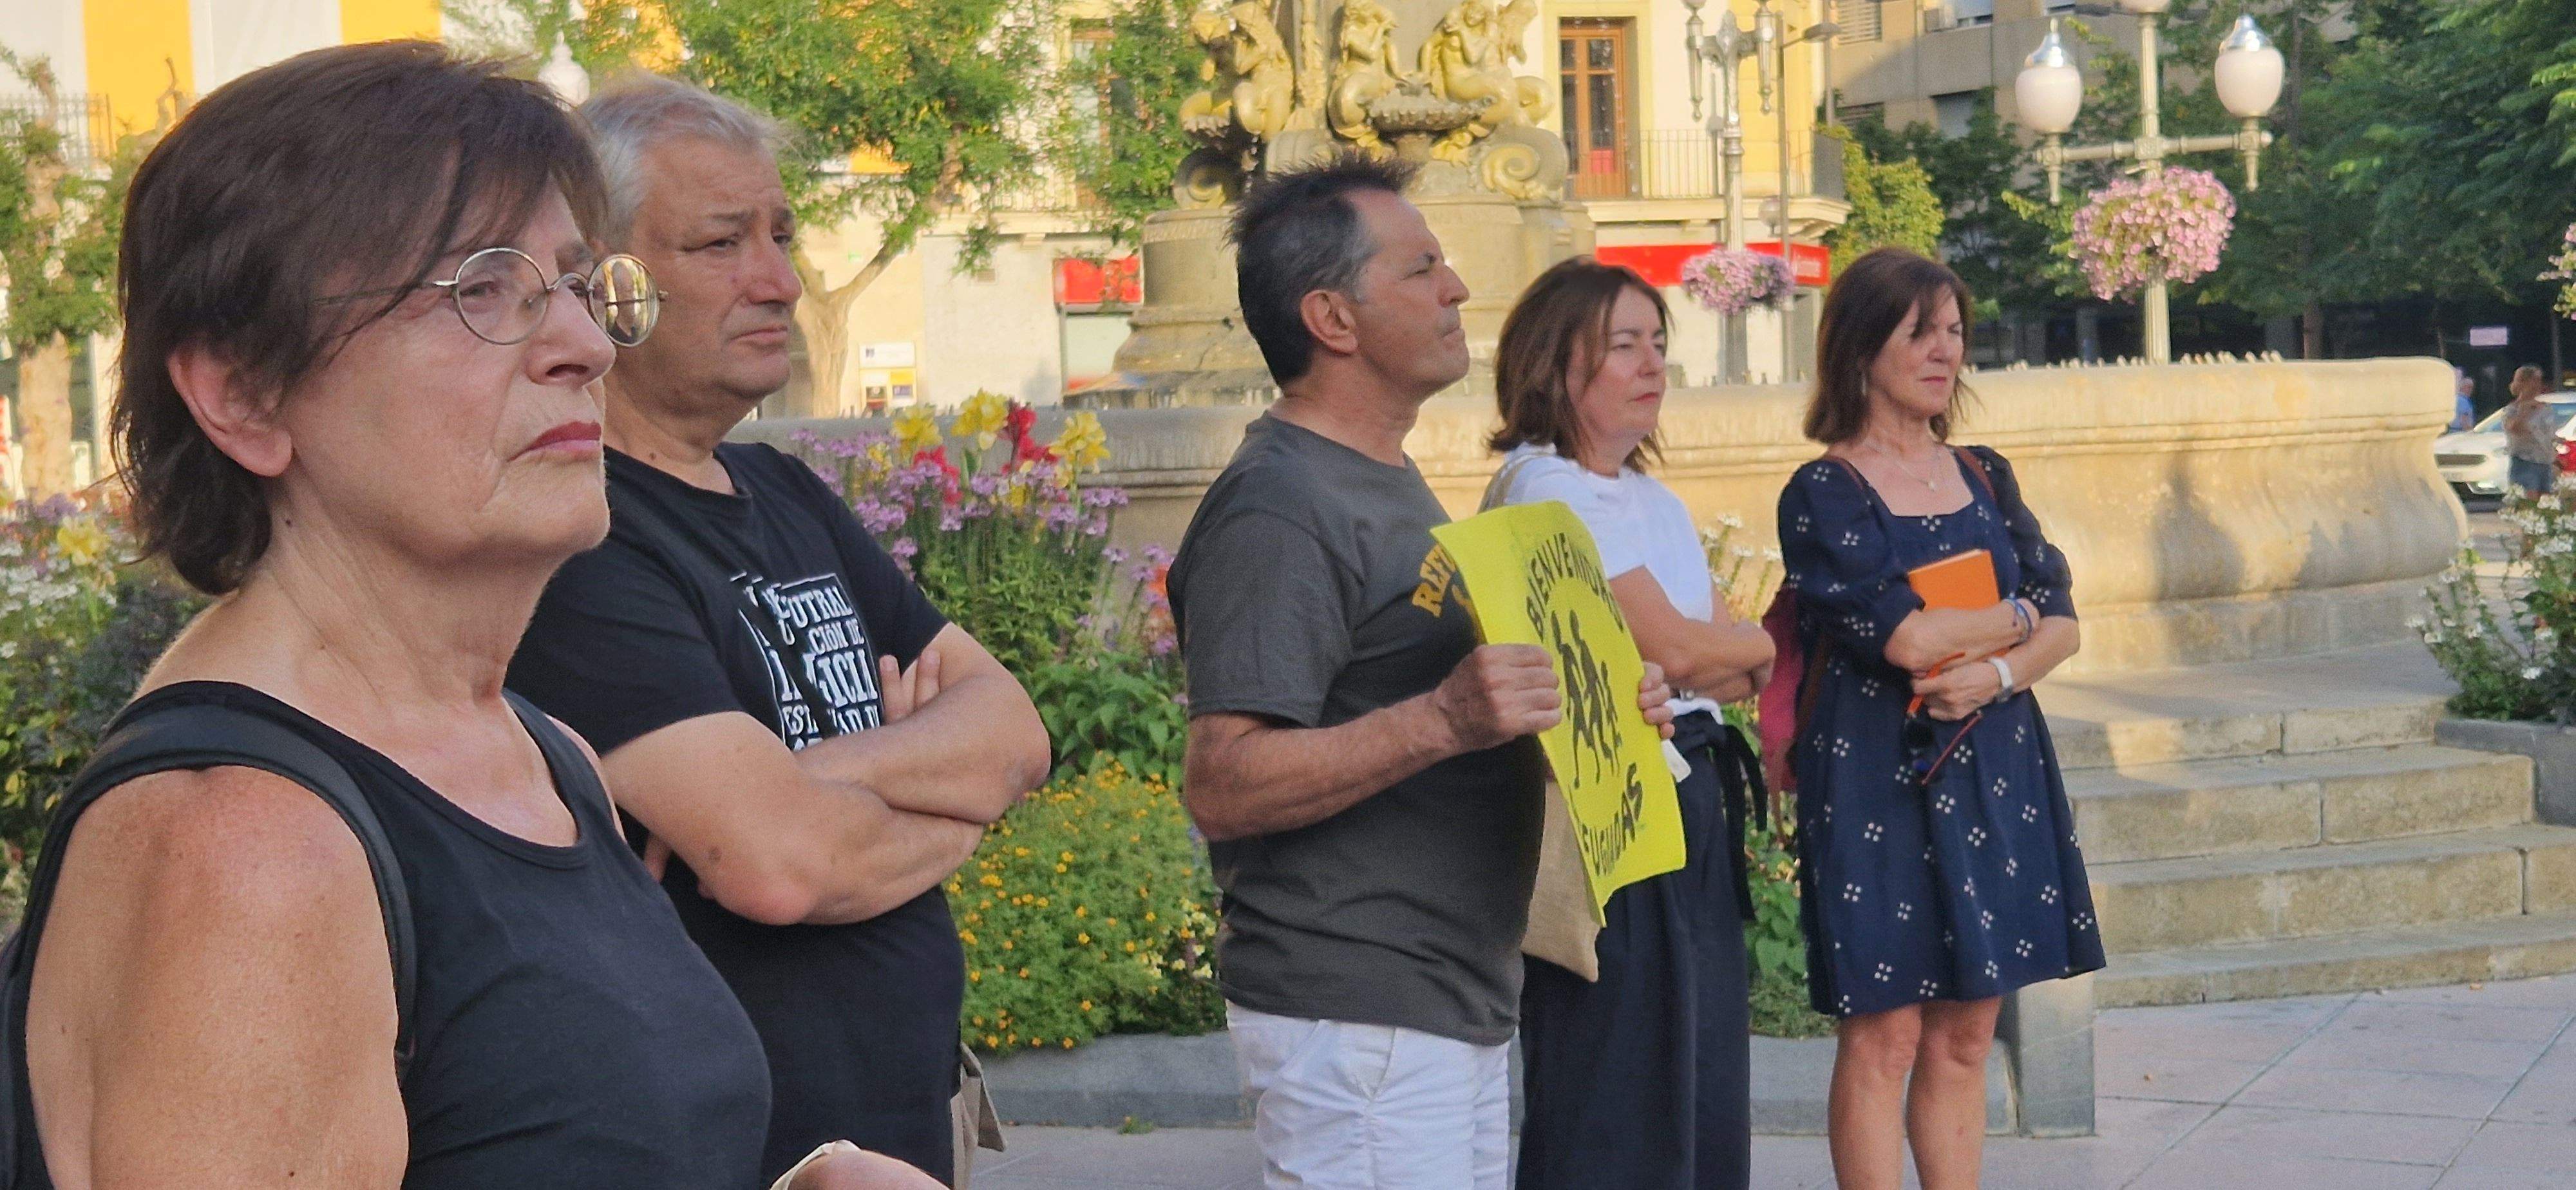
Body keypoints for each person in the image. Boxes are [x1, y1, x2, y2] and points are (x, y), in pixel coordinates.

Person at [15, 43, 931, 1189]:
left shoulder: (543, 756)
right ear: (244, 392)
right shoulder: (251, 847)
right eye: (482, 289)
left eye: (577, 286)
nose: (587, 348)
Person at [504, 75, 1050, 1187]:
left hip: (903, 1121)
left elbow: (1017, 737)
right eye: (721, 244)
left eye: (783, 235)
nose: (781, 280)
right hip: (763, 1150)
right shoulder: (582, 530)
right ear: (601, 284)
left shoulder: (783, 491)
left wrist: (808, 781)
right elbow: (778, 865)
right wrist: (941, 789)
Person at [1168, 154, 1674, 1190]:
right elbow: (1222, 783)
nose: (1456, 289)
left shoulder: (1385, 481)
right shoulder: (1281, 505)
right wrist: (1443, 720)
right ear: (1332, 318)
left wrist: (1594, 707)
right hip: (1360, 1014)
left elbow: (1444, 701)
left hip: (1440, 1003)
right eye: (1421, 269)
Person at [1775, 247, 2103, 1190]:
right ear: (1861, 344)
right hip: (1878, 767)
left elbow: (2068, 627)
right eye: (1920, 330)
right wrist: (2019, 618)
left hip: (1995, 761)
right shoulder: (1825, 491)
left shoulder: (1985, 473)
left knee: (1966, 1031)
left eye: (1954, 331)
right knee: (1886, 1033)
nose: (1943, 350)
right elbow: (1908, 640)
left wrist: (2002, 667)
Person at [1485, 258, 1776, 1190]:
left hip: (1684, 787)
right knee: (1615, 1073)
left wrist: (1729, 654)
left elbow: (1706, 666)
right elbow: (1690, 655)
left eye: (1659, 343)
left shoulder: (1656, 501)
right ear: (1554, 363)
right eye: (1623, 345)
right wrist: (1756, 649)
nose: (1652, 365)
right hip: (1608, 802)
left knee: (1699, 1063)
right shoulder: (1545, 489)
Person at [2503, 364, 2560, 498]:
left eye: (2539, 380)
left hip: (2546, 463)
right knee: (2530, 505)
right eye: (2535, 380)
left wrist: (2555, 457)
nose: (2538, 385)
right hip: (2525, 463)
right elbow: (2515, 430)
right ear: (2525, 383)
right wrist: (2524, 410)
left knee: (2548, 505)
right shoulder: (2512, 410)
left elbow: (2549, 434)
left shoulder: (2546, 409)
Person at [2454, 368, 2479, 433]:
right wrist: (2469, 433)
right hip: (2461, 432)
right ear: (2462, 387)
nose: (2471, 390)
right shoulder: (2463, 401)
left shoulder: (2457, 399)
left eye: (2472, 388)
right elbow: (2464, 420)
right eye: (2469, 387)